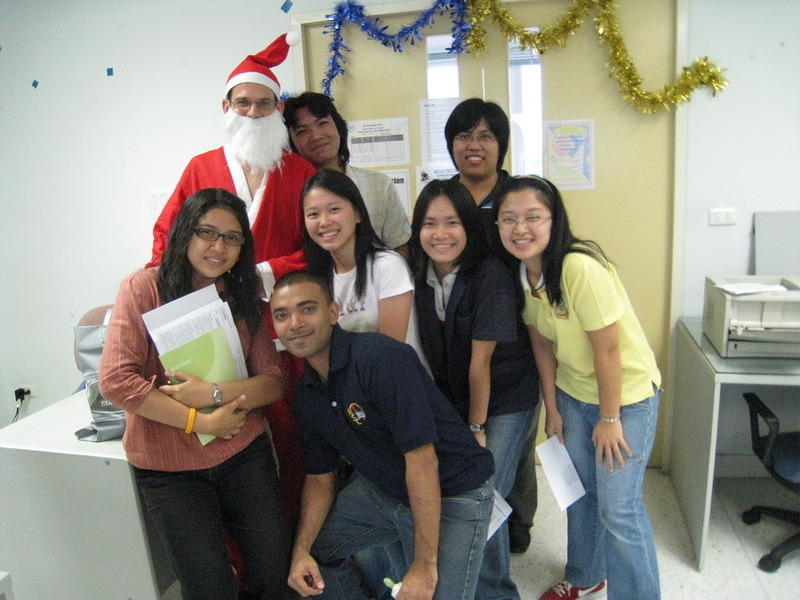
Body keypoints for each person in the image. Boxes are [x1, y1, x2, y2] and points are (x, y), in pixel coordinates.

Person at [146, 32, 315, 523]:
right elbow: (166, 237)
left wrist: (264, 271)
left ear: (278, 108)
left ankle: (294, 543)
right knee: (225, 440)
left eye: (264, 105)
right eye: (243, 103)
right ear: (226, 105)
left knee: (292, 435)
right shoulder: (201, 167)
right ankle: (242, 558)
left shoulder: (301, 173)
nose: (253, 114)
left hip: (281, 325)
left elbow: (318, 250)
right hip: (213, 325)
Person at [100, 188, 293, 599]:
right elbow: (116, 380)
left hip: (243, 454)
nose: (218, 247)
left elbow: (272, 381)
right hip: (170, 471)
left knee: (273, 572)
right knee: (208, 587)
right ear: (185, 232)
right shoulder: (142, 289)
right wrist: (199, 421)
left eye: (232, 238)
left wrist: (213, 394)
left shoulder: (241, 293)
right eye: (207, 232)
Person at [270, 271, 495, 600]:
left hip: (453, 490)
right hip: (384, 487)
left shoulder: (381, 358)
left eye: (307, 309)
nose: (295, 323)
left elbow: (423, 462)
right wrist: (301, 551)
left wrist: (423, 566)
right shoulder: (307, 393)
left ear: (333, 313)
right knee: (313, 558)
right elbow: (320, 478)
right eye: (282, 315)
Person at [493, 176, 662, 600]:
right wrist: (553, 408)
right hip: (572, 394)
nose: (521, 228)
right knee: (580, 496)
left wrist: (609, 418)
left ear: (554, 220)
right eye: (509, 219)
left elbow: (607, 352)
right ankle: (586, 576)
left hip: (625, 399)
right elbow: (542, 344)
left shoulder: (578, 267)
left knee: (619, 510)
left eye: (533, 217)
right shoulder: (524, 273)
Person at [410, 179, 539, 600]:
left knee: (481, 495)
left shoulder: (491, 275)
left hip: (503, 399)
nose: (440, 234)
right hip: (457, 399)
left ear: (469, 226)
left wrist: (477, 426)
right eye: (430, 223)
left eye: (452, 222)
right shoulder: (418, 273)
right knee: (475, 498)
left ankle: (497, 592)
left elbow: (480, 363)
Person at [301, 168, 424, 598]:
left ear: (356, 212)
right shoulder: (318, 281)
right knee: (371, 541)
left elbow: (389, 355)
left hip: (399, 413)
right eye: (313, 213)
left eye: (334, 209)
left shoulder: (387, 266)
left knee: (415, 543)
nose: (324, 221)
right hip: (356, 421)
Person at [445, 97, 539, 553]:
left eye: (485, 135)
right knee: (483, 449)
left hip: (521, 340)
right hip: (462, 343)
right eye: (464, 136)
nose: (474, 145)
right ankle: (491, 527)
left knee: (517, 444)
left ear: (501, 144)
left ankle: (519, 520)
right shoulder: (447, 199)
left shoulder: (518, 196)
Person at [284, 92, 411, 254]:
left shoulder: (379, 185)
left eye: (322, 123)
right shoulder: (289, 193)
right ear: (292, 143)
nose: (316, 136)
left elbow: (399, 245)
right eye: (302, 131)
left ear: (339, 128)